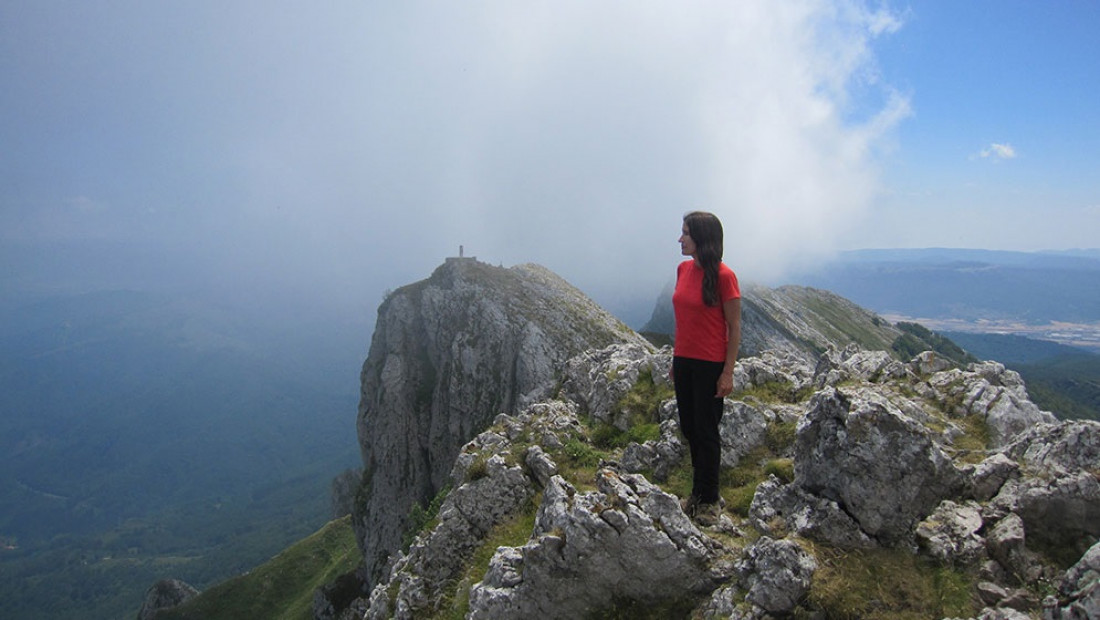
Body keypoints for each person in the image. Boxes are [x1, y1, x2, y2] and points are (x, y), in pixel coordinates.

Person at [672, 210, 741, 526]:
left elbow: (734, 326)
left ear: (702, 239)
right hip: (684, 361)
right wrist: (676, 358)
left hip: (710, 364)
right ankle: (697, 495)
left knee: (706, 432)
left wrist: (727, 372)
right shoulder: (682, 269)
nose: (680, 239)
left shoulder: (725, 277)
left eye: (686, 233)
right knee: (689, 428)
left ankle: (709, 500)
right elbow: (684, 318)